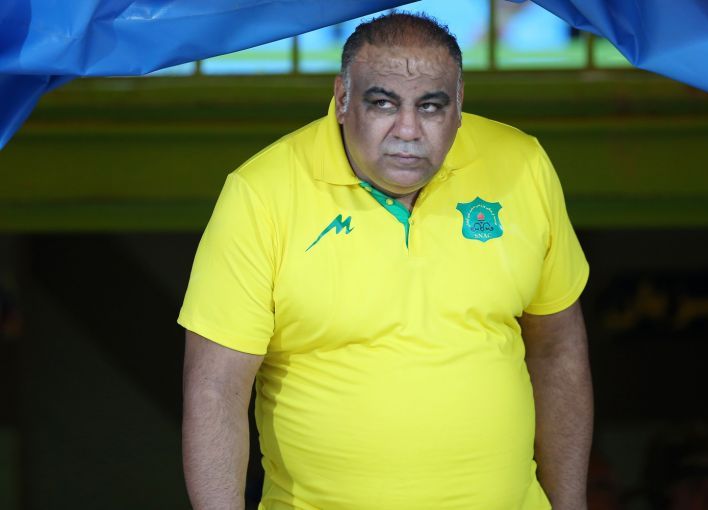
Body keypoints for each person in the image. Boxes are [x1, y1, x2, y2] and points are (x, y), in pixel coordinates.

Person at [179, 12, 592, 510]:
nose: (408, 130)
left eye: (431, 106)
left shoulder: (521, 164)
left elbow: (558, 348)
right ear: (342, 99)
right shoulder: (261, 193)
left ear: (459, 104)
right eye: (383, 103)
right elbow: (217, 389)